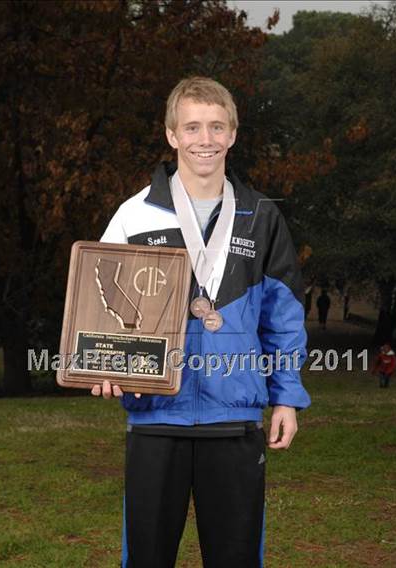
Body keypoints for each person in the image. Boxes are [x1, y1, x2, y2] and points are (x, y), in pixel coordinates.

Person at [91, 76, 311, 567]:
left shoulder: (261, 216)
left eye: (216, 127)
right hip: (154, 415)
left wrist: (287, 398)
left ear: (233, 133)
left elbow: (284, 316)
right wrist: (102, 363)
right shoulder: (134, 213)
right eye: (191, 127)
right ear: (172, 136)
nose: (204, 139)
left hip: (233, 421)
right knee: (146, 557)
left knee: (235, 557)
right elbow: (100, 299)